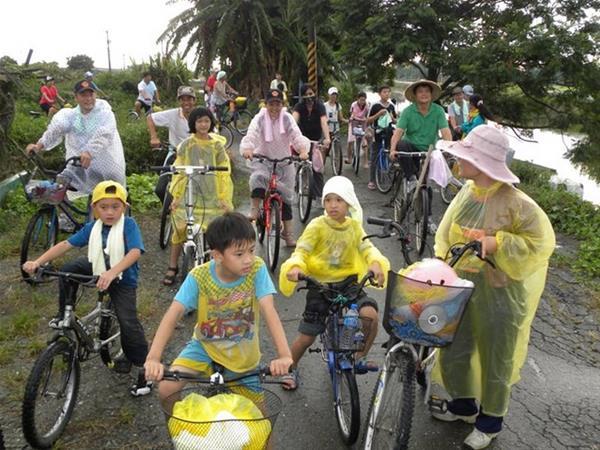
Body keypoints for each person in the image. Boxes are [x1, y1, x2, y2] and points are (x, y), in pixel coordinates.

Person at [433, 125, 555, 449]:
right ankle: (463, 406)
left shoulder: (518, 203)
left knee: (495, 357)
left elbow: (541, 243)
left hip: (499, 292)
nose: (459, 160)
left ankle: (489, 422)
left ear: (483, 163)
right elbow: (445, 234)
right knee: (454, 348)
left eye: (466, 156)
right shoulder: (466, 192)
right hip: (461, 285)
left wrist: (498, 242)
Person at [144, 212, 294, 408]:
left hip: (243, 357)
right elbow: (173, 315)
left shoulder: (257, 269)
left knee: (261, 421)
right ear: (217, 256)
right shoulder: (199, 277)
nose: (248, 259)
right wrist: (153, 358)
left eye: (251, 250)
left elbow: (269, 310)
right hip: (204, 348)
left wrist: (284, 355)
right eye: (239, 254)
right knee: (166, 388)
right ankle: (179, 434)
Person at [22, 180, 152, 396]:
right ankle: (64, 311)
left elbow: (135, 252)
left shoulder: (129, 225)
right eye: (104, 207)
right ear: (94, 208)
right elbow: (66, 245)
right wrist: (38, 262)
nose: (109, 212)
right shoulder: (93, 228)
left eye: (115, 207)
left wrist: (112, 273)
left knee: (129, 323)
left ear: (125, 208)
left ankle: (144, 369)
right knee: (68, 270)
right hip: (98, 266)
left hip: (122, 277)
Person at [278, 176, 390, 390]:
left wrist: (375, 263)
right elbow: (302, 250)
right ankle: (290, 367)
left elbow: (368, 248)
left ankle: (359, 356)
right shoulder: (317, 226)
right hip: (320, 285)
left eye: (339, 200)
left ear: (348, 202)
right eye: (328, 200)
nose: (332, 205)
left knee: (370, 316)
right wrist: (296, 266)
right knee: (307, 336)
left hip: (349, 284)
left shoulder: (354, 227)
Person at [162, 107, 233, 286]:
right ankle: (173, 266)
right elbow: (178, 171)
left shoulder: (217, 146)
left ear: (211, 123)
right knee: (180, 227)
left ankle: (218, 266)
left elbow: (224, 174)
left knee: (216, 232)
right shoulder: (186, 145)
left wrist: (224, 198)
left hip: (212, 194)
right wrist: (176, 197)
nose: (203, 124)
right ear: (193, 123)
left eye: (206, 121)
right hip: (190, 193)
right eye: (199, 121)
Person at [27, 80, 126, 195]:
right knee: (58, 186)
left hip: (106, 166)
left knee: (109, 200)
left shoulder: (105, 113)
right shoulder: (72, 116)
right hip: (80, 165)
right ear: (76, 98)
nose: (88, 98)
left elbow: (104, 134)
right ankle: (60, 212)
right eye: (83, 95)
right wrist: (38, 146)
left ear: (96, 95)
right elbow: (56, 130)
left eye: (91, 94)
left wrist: (89, 152)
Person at [240, 88, 309, 247]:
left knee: (286, 197)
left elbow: (296, 135)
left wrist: (303, 150)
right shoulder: (259, 118)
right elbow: (252, 133)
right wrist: (248, 148)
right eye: (271, 104)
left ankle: (288, 234)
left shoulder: (287, 118)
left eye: (278, 104)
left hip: (284, 161)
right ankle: (255, 210)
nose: (275, 107)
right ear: (266, 104)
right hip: (262, 159)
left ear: (282, 104)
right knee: (258, 178)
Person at [389, 79, 452, 182]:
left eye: (427, 91)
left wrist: (449, 148)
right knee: (401, 144)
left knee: (426, 182)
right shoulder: (407, 112)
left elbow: (445, 131)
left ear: (431, 94)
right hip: (411, 147)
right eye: (420, 91)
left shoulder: (438, 110)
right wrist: (392, 150)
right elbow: (398, 132)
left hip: (430, 148)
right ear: (415, 95)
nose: (424, 94)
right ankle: (411, 178)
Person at [147, 85, 197, 203]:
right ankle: (171, 210)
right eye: (183, 99)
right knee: (160, 189)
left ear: (194, 100)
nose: (186, 102)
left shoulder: (200, 115)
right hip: (176, 154)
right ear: (179, 101)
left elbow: (213, 133)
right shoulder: (172, 114)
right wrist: (154, 137)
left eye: (189, 99)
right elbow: (150, 118)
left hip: (197, 156)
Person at [292, 84, 331, 200]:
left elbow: (324, 122)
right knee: (299, 162)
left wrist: (327, 138)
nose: (309, 97)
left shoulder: (319, 106)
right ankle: (298, 187)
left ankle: (320, 194)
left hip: (315, 139)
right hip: (302, 140)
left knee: (317, 167)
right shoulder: (299, 106)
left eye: (311, 94)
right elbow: (293, 122)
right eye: (306, 94)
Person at [366, 85, 397, 190]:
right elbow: (368, 120)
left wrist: (393, 118)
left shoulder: (391, 106)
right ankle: (371, 180)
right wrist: (378, 114)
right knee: (374, 156)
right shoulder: (375, 106)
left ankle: (386, 176)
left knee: (388, 154)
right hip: (377, 133)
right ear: (380, 93)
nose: (386, 94)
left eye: (388, 92)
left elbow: (396, 121)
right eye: (384, 92)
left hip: (388, 133)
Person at [346, 91, 372, 167]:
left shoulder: (367, 106)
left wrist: (366, 121)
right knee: (350, 141)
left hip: (363, 124)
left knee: (364, 143)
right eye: (361, 100)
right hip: (354, 123)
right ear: (358, 99)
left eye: (364, 100)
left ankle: (366, 161)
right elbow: (352, 114)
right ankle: (349, 158)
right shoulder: (354, 105)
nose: (362, 102)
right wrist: (353, 118)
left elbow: (368, 116)